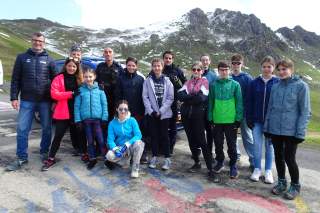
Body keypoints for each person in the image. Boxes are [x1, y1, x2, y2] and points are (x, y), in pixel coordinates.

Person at [7, 32, 55, 171]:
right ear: (31, 41)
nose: (37, 43)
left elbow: (56, 82)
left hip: (45, 101)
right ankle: (22, 157)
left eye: (40, 41)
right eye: (35, 40)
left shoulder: (50, 60)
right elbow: (15, 79)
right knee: (22, 129)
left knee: (46, 128)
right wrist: (14, 97)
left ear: (44, 43)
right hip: (27, 100)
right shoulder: (22, 58)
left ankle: (44, 152)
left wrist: (55, 101)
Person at [264, 59, 311, 200]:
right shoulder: (275, 87)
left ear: (291, 70)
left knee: (290, 158)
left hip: (291, 131)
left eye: (284, 69)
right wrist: (267, 126)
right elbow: (270, 108)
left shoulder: (301, 86)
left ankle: (295, 185)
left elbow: (305, 111)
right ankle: (282, 182)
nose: (281, 72)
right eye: (279, 69)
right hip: (275, 129)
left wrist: (300, 132)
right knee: (278, 157)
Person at [41, 57, 86, 171]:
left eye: (74, 66)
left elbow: (87, 89)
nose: (71, 68)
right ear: (66, 66)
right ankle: (51, 158)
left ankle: (83, 153)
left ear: (77, 68)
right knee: (58, 135)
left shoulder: (80, 79)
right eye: (69, 65)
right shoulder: (58, 78)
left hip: (76, 112)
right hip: (63, 112)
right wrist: (71, 93)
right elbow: (54, 94)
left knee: (80, 134)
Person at [177, 62, 219, 183]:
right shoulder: (188, 82)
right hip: (186, 116)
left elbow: (202, 98)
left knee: (202, 141)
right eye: (194, 69)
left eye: (198, 70)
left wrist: (188, 97)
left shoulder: (204, 81)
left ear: (202, 71)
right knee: (191, 140)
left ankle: (210, 169)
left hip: (198, 116)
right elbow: (179, 95)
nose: (196, 72)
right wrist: (192, 97)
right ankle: (196, 162)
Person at [246, 56, 279, 183]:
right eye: (264, 66)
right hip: (256, 121)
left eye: (269, 67)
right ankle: (257, 168)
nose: (266, 69)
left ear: (273, 68)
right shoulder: (254, 83)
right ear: (261, 67)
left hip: (271, 122)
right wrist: (249, 118)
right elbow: (249, 102)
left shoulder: (277, 83)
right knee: (257, 146)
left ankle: (268, 171)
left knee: (269, 146)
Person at [208, 61, 243, 179]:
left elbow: (239, 103)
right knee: (218, 144)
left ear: (229, 70)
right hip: (217, 120)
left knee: (231, 145)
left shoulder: (235, 84)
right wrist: (210, 117)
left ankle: (233, 165)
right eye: (221, 70)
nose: (224, 72)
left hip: (231, 121)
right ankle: (220, 162)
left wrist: (238, 119)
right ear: (218, 71)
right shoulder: (213, 85)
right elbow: (211, 102)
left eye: (226, 69)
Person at [115, 57, 148, 163]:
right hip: (125, 112)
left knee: (138, 132)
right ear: (126, 65)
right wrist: (119, 110)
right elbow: (118, 95)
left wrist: (143, 110)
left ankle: (142, 154)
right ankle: (127, 154)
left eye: (133, 65)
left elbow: (144, 96)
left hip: (138, 111)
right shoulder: (120, 78)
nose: (131, 67)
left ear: (136, 66)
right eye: (129, 65)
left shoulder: (140, 79)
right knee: (126, 133)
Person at [143, 58, 174, 170]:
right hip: (152, 114)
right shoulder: (147, 81)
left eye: (158, 66)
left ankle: (167, 158)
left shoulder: (167, 81)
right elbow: (145, 97)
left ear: (162, 67)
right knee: (154, 136)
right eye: (154, 66)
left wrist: (161, 111)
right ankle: (154, 157)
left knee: (165, 136)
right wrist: (151, 111)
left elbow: (170, 98)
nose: (156, 68)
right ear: (152, 67)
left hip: (164, 114)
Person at [74, 69, 108, 170]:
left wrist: (104, 118)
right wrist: (78, 120)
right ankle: (92, 158)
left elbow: (104, 104)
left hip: (97, 120)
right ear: (83, 78)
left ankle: (106, 159)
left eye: (90, 76)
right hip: (86, 120)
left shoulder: (100, 90)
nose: (88, 79)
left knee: (101, 140)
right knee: (90, 141)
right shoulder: (80, 90)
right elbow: (77, 106)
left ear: (94, 77)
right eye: (86, 77)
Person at [105, 100, 145, 178]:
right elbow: (110, 140)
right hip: (121, 148)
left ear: (128, 110)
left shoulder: (132, 120)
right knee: (109, 155)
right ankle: (125, 161)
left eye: (125, 109)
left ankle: (135, 169)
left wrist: (128, 143)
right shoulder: (112, 123)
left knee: (139, 143)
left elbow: (138, 135)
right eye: (121, 109)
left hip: (131, 146)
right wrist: (115, 149)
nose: (123, 111)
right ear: (117, 109)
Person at [230, 54, 254, 170]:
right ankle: (236, 156)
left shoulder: (247, 78)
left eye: (238, 63)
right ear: (231, 64)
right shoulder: (228, 77)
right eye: (234, 63)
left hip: (244, 113)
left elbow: (251, 97)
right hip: (231, 113)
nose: (236, 65)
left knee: (247, 137)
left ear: (242, 64)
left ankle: (253, 160)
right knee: (232, 137)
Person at [162, 51, 187, 154]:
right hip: (161, 103)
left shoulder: (177, 70)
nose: (168, 60)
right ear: (163, 59)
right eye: (166, 58)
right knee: (162, 126)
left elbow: (185, 84)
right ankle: (163, 147)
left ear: (172, 59)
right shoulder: (159, 68)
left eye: (170, 58)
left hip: (173, 102)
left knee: (172, 126)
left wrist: (179, 89)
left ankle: (171, 148)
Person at [95, 47, 124, 122]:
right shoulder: (99, 66)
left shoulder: (119, 67)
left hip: (115, 99)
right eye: (106, 52)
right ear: (103, 54)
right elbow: (94, 81)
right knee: (103, 121)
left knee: (115, 120)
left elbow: (123, 83)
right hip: (102, 98)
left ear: (113, 54)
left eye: (110, 52)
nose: (108, 54)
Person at [200, 54, 219, 160]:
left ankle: (209, 153)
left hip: (209, 108)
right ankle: (200, 151)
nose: (205, 62)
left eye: (207, 60)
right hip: (198, 109)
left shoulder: (213, 75)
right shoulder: (196, 73)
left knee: (210, 132)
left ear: (210, 61)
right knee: (199, 131)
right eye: (203, 60)